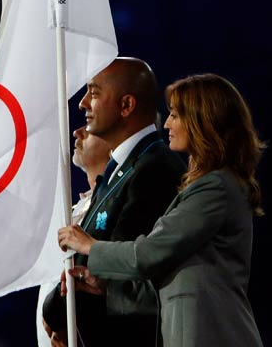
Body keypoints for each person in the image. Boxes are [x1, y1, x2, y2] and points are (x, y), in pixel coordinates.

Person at [58, 73, 265, 347]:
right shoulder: (209, 186)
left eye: (176, 115)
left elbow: (148, 254)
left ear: (202, 120)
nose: (166, 123)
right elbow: (170, 283)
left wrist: (89, 247)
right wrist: (107, 287)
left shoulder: (216, 188)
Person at [42, 57, 184, 347]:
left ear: (126, 106)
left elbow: (120, 275)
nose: (82, 104)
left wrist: (59, 309)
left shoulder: (155, 168)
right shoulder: (122, 168)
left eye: (94, 93)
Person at [36, 125, 113, 347]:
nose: (77, 133)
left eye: (90, 129)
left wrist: (56, 314)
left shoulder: (111, 209)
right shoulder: (74, 210)